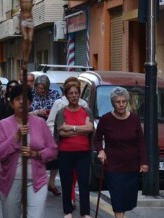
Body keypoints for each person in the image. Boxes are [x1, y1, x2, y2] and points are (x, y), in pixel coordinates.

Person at [0, 84, 58, 218]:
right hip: (11, 181)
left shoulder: (40, 123)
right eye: (17, 99)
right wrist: (15, 137)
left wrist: (36, 154)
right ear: (11, 104)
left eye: (25, 99)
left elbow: (53, 150)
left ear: (30, 102)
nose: (22, 102)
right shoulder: (4, 125)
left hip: (36, 181)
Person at [94, 86, 148, 218]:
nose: (121, 105)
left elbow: (141, 142)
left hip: (131, 167)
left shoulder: (134, 119)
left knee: (126, 201)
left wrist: (143, 162)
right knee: (117, 200)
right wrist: (101, 151)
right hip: (113, 167)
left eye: (124, 101)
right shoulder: (106, 119)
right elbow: (97, 139)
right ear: (113, 103)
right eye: (118, 102)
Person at [53, 79, 94, 218]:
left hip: (84, 152)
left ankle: (85, 213)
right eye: (71, 93)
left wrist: (71, 128)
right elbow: (61, 132)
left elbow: (90, 129)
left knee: (83, 182)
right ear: (66, 95)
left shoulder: (86, 111)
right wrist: (80, 130)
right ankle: (68, 211)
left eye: (76, 93)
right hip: (65, 152)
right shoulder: (61, 112)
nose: (74, 96)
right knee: (66, 182)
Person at [30, 75, 62, 196]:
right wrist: (37, 112)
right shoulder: (31, 95)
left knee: (54, 156)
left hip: (51, 130)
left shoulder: (54, 94)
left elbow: (60, 110)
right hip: (35, 129)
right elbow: (23, 113)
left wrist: (51, 113)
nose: (41, 90)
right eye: (39, 88)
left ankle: (52, 183)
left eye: (44, 88)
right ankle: (37, 182)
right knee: (37, 156)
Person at [20, 0, 34, 70]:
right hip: (23, 20)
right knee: (25, 38)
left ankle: (26, 58)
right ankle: (24, 58)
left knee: (30, 40)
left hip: (30, 20)